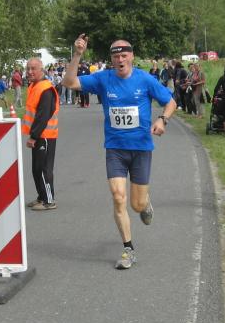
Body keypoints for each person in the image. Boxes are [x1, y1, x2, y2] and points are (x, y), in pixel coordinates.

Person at [63, 34, 176, 270]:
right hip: (115, 149)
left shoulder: (145, 80)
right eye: (116, 57)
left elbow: (171, 102)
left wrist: (162, 120)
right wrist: (77, 54)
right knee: (117, 196)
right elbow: (69, 83)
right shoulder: (103, 79)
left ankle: (145, 203)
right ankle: (128, 249)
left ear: (132, 57)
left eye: (124, 56)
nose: (120, 60)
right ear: (111, 59)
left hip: (141, 148)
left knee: (136, 205)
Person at [21, 58, 59, 211]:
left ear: (41, 69)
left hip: (45, 135)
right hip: (40, 135)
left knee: (43, 169)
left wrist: (33, 136)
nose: (30, 72)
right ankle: (42, 197)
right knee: (36, 169)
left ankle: (49, 201)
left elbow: (43, 116)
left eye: (33, 68)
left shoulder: (45, 89)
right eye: (28, 68)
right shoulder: (34, 86)